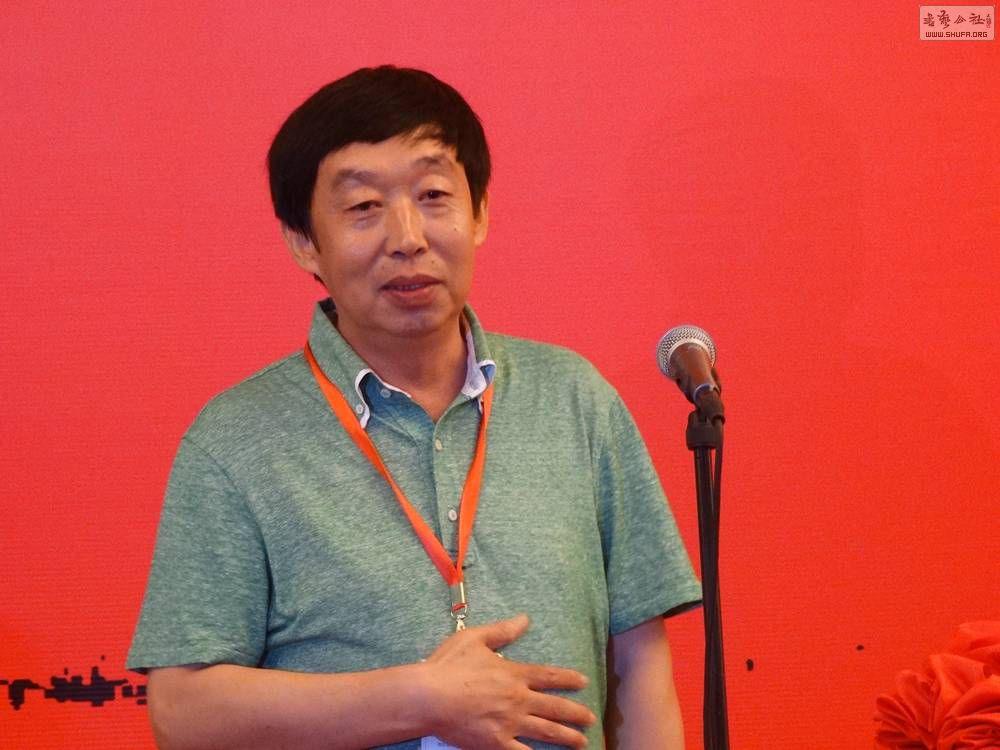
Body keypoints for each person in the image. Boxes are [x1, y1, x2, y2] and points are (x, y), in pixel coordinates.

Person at [128, 65, 701, 749]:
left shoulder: (577, 400)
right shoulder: (235, 441)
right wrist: (420, 698)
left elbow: (640, 667)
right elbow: (183, 712)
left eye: (433, 196)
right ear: (303, 241)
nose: (407, 237)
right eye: (363, 207)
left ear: (479, 212)